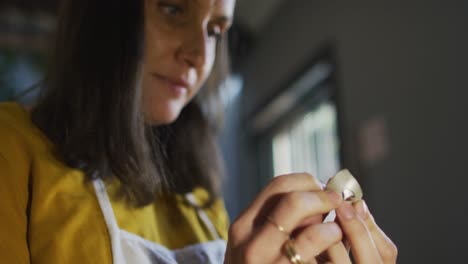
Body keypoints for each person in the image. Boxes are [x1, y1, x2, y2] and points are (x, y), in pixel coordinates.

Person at [0, 0, 397, 263]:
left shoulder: (199, 195)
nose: (199, 56)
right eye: (174, 9)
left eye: (215, 30)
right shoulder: (12, 143)